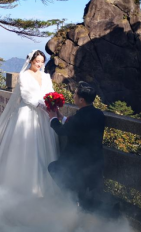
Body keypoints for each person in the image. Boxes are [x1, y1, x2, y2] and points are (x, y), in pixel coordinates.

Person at [0, 49, 59, 197]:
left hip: (43, 116)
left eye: (42, 62)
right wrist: (43, 105)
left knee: (42, 147)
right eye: (37, 62)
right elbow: (26, 96)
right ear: (30, 61)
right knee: (28, 146)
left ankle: (42, 183)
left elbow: (50, 92)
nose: (40, 65)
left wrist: (52, 103)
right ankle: (22, 182)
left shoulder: (46, 76)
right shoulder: (24, 76)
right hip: (27, 114)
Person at [47, 81, 105, 209]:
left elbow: (62, 131)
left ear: (81, 100)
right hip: (95, 160)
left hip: (77, 163)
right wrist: (61, 117)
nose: (73, 96)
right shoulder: (99, 115)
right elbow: (78, 126)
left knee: (53, 168)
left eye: (75, 94)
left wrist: (52, 118)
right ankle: (82, 208)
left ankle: (73, 202)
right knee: (85, 191)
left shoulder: (77, 118)